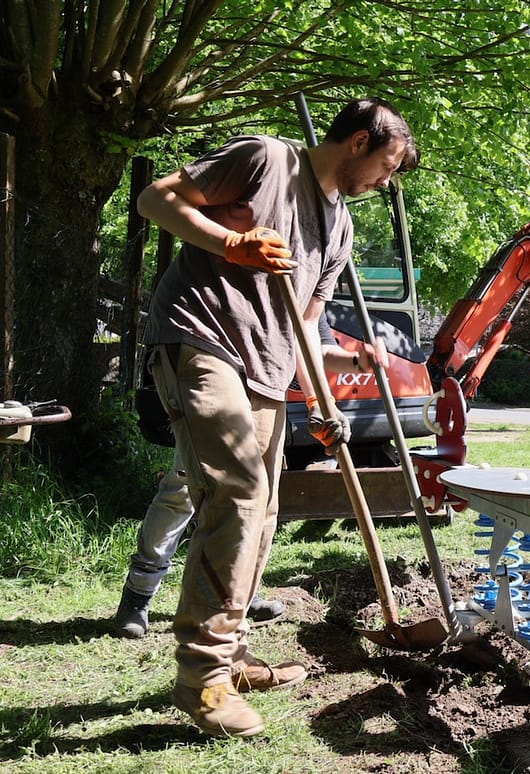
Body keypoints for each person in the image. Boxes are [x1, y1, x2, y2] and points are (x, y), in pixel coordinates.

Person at [138, 97, 418, 737]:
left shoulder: (340, 224)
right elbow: (155, 199)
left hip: (267, 365)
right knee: (236, 494)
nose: (386, 181)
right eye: (386, 164)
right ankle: (203, 678)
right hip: (201, 338)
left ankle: (233, 654)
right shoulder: (266, 159)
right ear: (356, 142)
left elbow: (308, 326)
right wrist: (231, 242)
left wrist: (322, 403)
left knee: (264, 510)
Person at [114, 321, 387, 639]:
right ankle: (139, 592)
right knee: (186, 487)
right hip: (216, 376)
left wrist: (355, 362)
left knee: (261, 496)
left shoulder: (307, 282)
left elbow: (312, 344)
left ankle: (240, 592)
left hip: (265, 391)